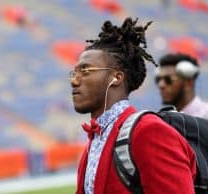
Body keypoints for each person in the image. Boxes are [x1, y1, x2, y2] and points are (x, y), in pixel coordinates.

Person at [69, 17, 196, 194]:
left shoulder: (148, 131)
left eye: (85, 71)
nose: (74, 81)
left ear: (116, 77)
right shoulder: (96, 138)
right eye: (73, 73)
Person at [155, 53, 208, 119]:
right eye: (158, 79)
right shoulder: (165, 120)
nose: (161, 85)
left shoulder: (205, 116)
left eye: (168, 79)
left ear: (188, 82)